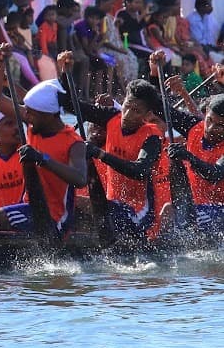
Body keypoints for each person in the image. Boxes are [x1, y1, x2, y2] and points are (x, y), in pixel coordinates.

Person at [0, 50, 88, 234]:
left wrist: (43, 159)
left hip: (54, 217)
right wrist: (0, 61)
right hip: (31, 208)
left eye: (31, 113)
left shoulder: (74, 143)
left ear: (49, 115)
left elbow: (80, 179)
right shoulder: (35, 122)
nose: (26, 116)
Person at [84, 77, 168, 241]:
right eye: (127, 106)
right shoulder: (112, 119)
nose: (128, 115)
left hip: (140, 212)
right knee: (81, 207)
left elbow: (140, 171)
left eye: (136, 111)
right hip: (113, 204)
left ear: (147, 116)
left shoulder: (152, 137)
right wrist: (65, 73)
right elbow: (73, 105)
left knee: (105, 209)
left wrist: (101, 155)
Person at [167, 93, 224, 234]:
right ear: (206, 112)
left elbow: (215, 174)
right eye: (209, 120)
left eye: (220, 125)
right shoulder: (194, 126)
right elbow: (161, 108)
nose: (210, 128)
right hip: (197, 205)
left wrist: (189, 157)